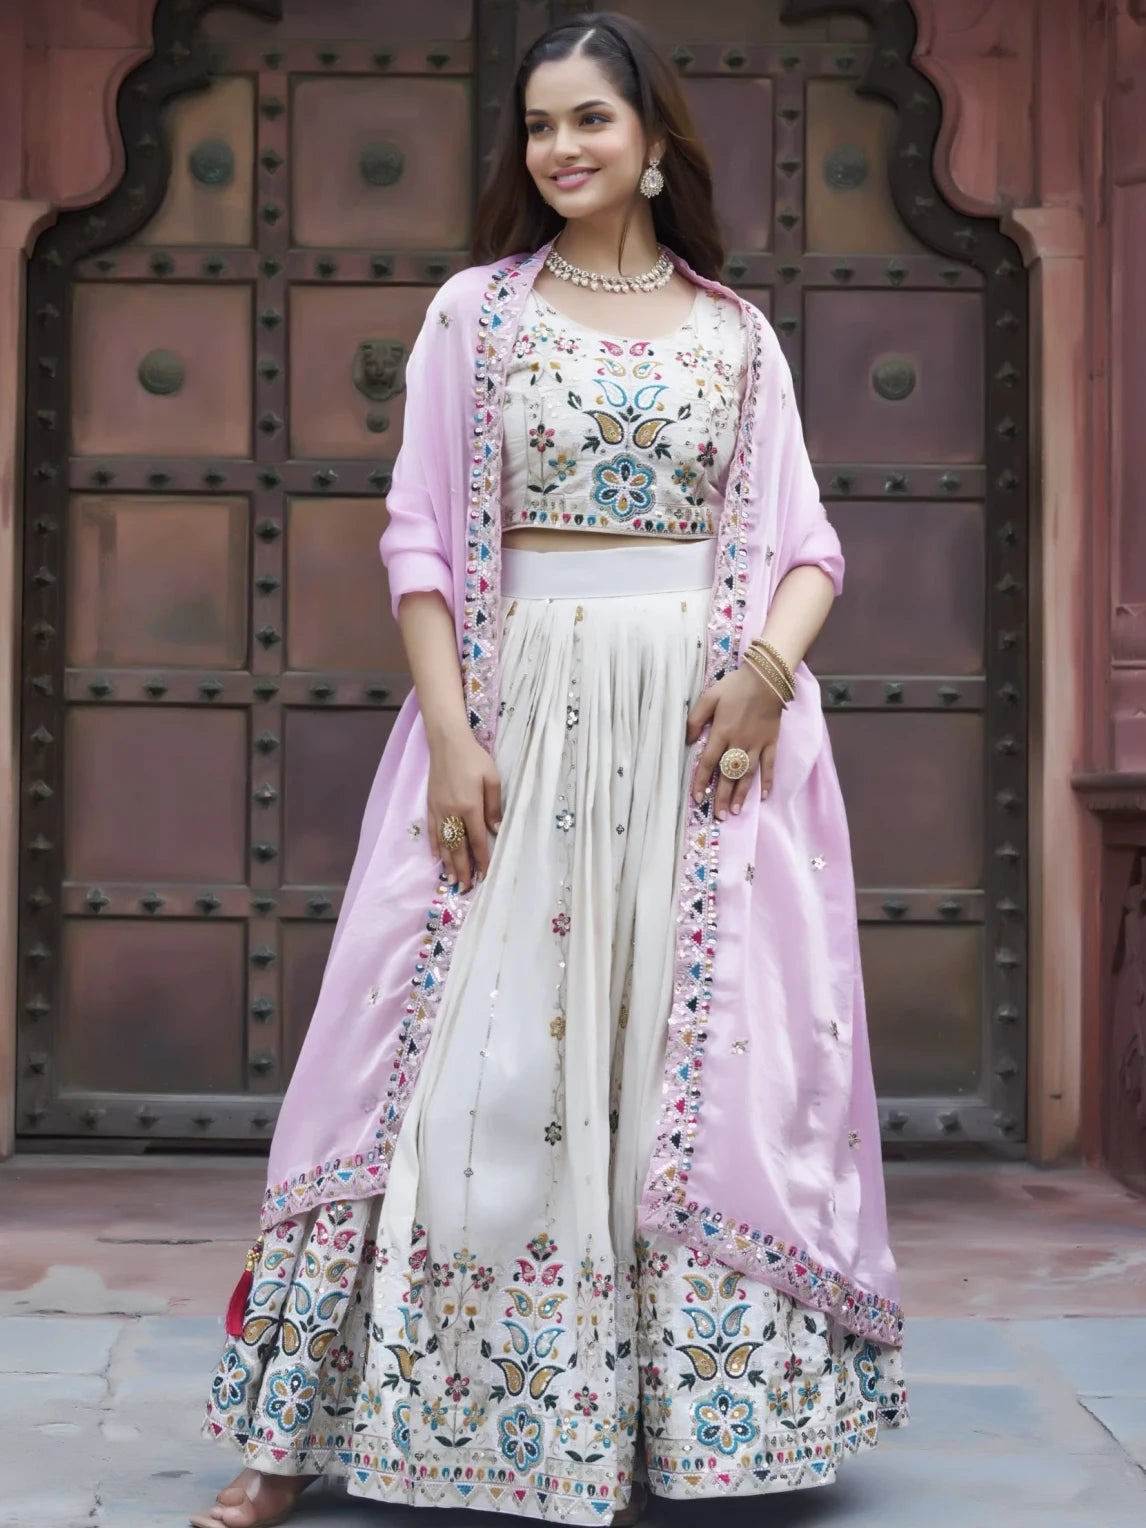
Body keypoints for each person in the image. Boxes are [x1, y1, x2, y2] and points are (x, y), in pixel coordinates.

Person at [192, 13, 907, 1527]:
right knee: (446, 1053)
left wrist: (763, 682)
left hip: (696, 732)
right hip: (520, 718)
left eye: (590, 120)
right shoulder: (479, 315)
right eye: (538, 127)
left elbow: (806, 547)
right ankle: (299, 1439)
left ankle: (664, 1429)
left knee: (669, 1067)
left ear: (654, 143)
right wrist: (455, 734)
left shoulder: (735, 334)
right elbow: (418, 541)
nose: (562, 149)